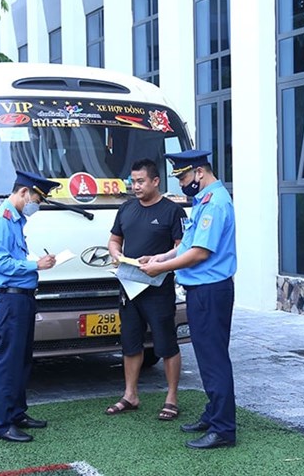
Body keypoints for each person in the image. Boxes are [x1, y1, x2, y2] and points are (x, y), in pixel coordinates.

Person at [140, 150, 237, 450]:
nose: (181, 183)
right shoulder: (204, 201)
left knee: (213, 359)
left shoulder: (214, 203)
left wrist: (161, 268)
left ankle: (223, 428)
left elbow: (200, 253)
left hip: (210, 290)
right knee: (209, 357)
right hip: (203, 290)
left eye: (183, 177)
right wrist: (162, 256)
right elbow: (188, 245)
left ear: (199, 172)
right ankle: (214, 413)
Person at [105, 158, 187, 420]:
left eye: (141, 181)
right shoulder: (126, 209)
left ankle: (171, 398)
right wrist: (116, 254)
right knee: (130, 343)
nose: (136, 186)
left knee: (166, 344)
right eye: (133, 182)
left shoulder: (172, 211)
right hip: (129, 287)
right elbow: (114, 240)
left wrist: (159, 261)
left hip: (158, 288)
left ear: (155, 181)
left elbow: (182, 247)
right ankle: (130, 395)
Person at [0, 170, 60, 443]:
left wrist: (34, 264)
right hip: (12, 299)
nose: (37, 205)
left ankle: (16, 413)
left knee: (22, 360)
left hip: (23, 298)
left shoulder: (15, 220)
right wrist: (35, 265)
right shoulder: (2, 220)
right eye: (37, 200)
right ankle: (2, 424)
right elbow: (0, 263)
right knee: (10, 361)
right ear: (24, 192)